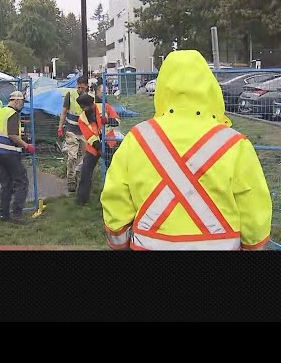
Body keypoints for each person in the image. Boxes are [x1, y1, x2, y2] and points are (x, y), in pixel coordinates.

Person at [100, 50, 272, 250]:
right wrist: (253, 245)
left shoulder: (137, 139)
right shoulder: (235, 144)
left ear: (163, 87)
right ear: (209, 88)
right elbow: (254, 209)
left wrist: (119, 241)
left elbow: (116, 198)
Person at [0, 91, 35, 223]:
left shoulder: (0, 112)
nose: (22, 105)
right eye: (21, 103)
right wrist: (27, 146)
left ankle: (4, 214)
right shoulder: (13, 114)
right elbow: (12, 135)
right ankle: (17, 213)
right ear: (16, 101)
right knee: (22, 181)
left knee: (6, 183)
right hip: (9, 152)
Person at [75, 93, 120, 205]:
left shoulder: (105, 107)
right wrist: (99, 148)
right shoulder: (82, 119)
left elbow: (117, 121)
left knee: (114, 171)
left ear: (92, 104)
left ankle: (117, 196)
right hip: (94, 147)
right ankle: (82, 200)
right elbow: (89, 136)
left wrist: (108, 120)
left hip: (109, 143)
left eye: (85, 106)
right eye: (82, 107)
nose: (84, 109)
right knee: (86, 171)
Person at [57, 76, 89, 192]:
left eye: (82, 87)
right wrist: (60, 127)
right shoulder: (70, 95)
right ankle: (71, 181)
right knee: (72, 157)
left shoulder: (90, 98)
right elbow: (64, 112)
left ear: (86, 86)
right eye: (78, 87)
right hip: (71, 131)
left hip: (85, 133)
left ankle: (79, 177)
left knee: (84, 158)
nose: (80, 89)